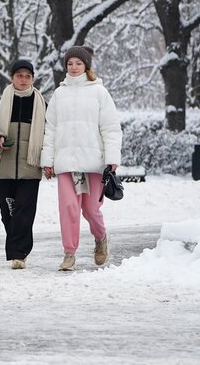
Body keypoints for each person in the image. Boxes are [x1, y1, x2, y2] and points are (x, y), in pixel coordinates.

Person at [40, 45, 122, 272]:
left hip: (94, 162)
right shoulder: (59, 93)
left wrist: (112, 158)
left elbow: (111, 128)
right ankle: (69, 254)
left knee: (91, 210)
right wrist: (47, 161)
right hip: (66, 162)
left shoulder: (99, 92)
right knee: (68, 207)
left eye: (78, 63)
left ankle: (100, 237)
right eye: (70, 63)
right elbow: (51, 129)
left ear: (86, 65)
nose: (74, 67)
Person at [0, 59, 47, 270]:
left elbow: (51, 133)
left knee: (25, 213)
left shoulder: (42, 104)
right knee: (8, 213)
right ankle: (17, 249)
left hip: (30, 169)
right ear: (12, 78)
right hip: (4, 170)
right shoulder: (0, 103)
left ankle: (19, 255)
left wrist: (49, 160)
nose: (23, 80)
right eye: (19, 76)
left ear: (33, 79)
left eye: (27, 76)